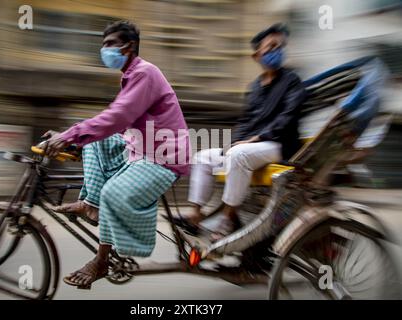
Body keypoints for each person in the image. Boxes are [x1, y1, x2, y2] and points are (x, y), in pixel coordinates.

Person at [42, 21, 190, 289]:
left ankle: (100, 261)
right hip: (140, 148)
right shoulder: (131, 75)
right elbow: (117, 123)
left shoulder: (144, 73)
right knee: (94, 143)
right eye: (103, 45)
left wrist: (68, 135)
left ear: (129, 46)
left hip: (164, 157)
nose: (105, 50)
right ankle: (90, 203)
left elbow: (119, 115)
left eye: (110, 44)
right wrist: (73, 138)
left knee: (112, 191)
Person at [183, 23, 307, 240]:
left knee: (238, 155)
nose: (277, 50)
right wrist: (236, 141)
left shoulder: (292, 81)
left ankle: (227, 219)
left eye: (279, 46)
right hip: (253, 146)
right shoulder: (255, 87)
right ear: (257, 56)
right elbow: (246, 121)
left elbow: (288, 117)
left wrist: (255, 138)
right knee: (203, 157)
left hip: (279, 144)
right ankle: (195, 214)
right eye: (271, 47)